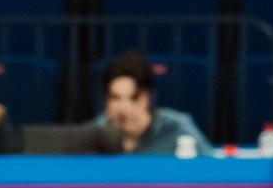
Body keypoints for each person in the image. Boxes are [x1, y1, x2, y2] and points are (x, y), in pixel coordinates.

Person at [82, 50, 212, 156]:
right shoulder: (93, 133)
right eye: (115, 98)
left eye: (134, 98)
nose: (124, 108)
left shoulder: (176, 128)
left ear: (148, 98)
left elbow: (210, 167)